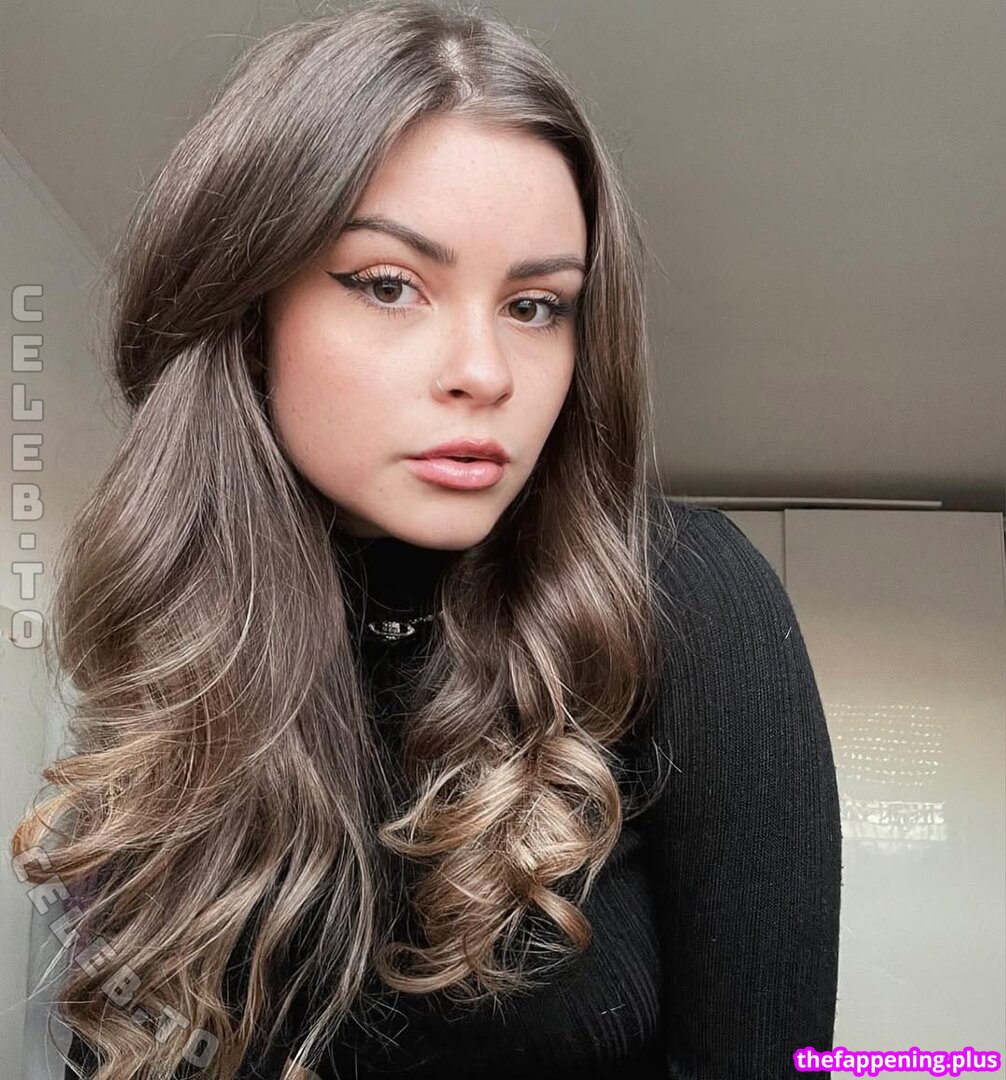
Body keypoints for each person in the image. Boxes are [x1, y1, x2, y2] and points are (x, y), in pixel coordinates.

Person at [10, 2, 841, 1077]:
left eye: (536, 305)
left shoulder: (684, 597)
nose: (484, 373)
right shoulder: (181, 648)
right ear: (249, 314)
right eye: (391, 286)